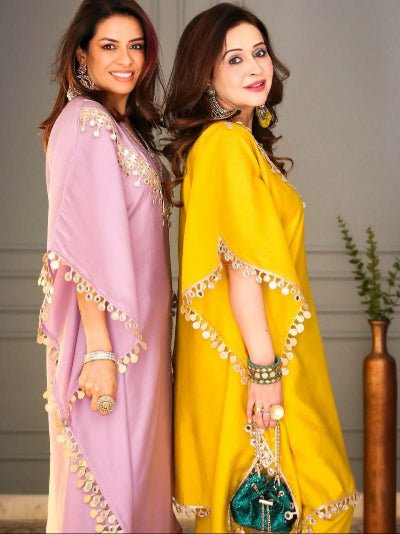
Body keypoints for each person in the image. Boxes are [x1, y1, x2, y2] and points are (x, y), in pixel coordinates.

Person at [164, 3, 359, 532]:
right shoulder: (227, 145)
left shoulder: (233, 144)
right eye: (235, 59)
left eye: (260, 52)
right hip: (255, 357)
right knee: (284, 507)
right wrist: (265, 372)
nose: (255, 68)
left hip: (257, 351)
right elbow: (242, 270)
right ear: (206, 73)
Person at [38, 1, 179, 532]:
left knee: (139, 488)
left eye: (135, 46)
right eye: (109, 46)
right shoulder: (87, 121)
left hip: (140, 344)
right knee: (110, 493)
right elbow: (85, 245)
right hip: (113, 346)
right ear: (82, 55)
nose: (126, 59)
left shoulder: (122, 129)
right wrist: (98, 351)